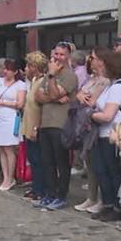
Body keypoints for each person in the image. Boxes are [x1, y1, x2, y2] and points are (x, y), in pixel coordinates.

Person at [90, 48, 121, 223]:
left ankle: (118, 207)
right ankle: (108, 204)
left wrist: (91, 115)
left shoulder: (119, 88)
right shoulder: (109, 85)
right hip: (102, 134)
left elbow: (107, 115)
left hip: (113, 135)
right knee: (102, 171)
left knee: (113, 172)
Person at [36, 45, 79, 210]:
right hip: (45, 122)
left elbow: (52, 93)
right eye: (56, 54)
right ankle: (50, 193)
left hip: (60, 124)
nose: (58, 57)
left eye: (62, 54)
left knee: (61, 162)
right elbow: (38, 96)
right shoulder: (48, 75)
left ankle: (61, 195)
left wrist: (52, 78)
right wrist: (53, 96)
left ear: (68, 56)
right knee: (47, 161)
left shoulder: (69, 76)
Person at [73, 52, 110, 214]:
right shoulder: (91, 79)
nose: (90, 60)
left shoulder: (105, 81)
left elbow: (93, 101)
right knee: (89, 162)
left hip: (95, 124)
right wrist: (80, 95)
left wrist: (83, 97)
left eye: (93, 57)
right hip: (84, 123)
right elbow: (79, 94)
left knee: (98, 163)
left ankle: (102, 199)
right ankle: (91, 197)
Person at [0, 59, 27, 191]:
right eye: (4, 69)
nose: (5, 71)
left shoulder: (20, 85)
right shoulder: (0, 82)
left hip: (11, 118)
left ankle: (10, 178)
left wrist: (2, 102)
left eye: (8, 69)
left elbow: (20, 104)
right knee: (1, 148)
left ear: (15, 71)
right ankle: (5, 177)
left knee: (9, 149)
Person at [21, 53, 46, 203]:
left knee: (38, 159)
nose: (25, 69)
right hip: (27, 125)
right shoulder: (34, 81)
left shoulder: (42, 82)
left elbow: (42, 107)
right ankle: (36, 187)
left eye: (28, 66)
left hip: (36, 126)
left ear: (34, 67)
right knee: (32, 158)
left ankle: (40, 188)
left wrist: (37, 127)